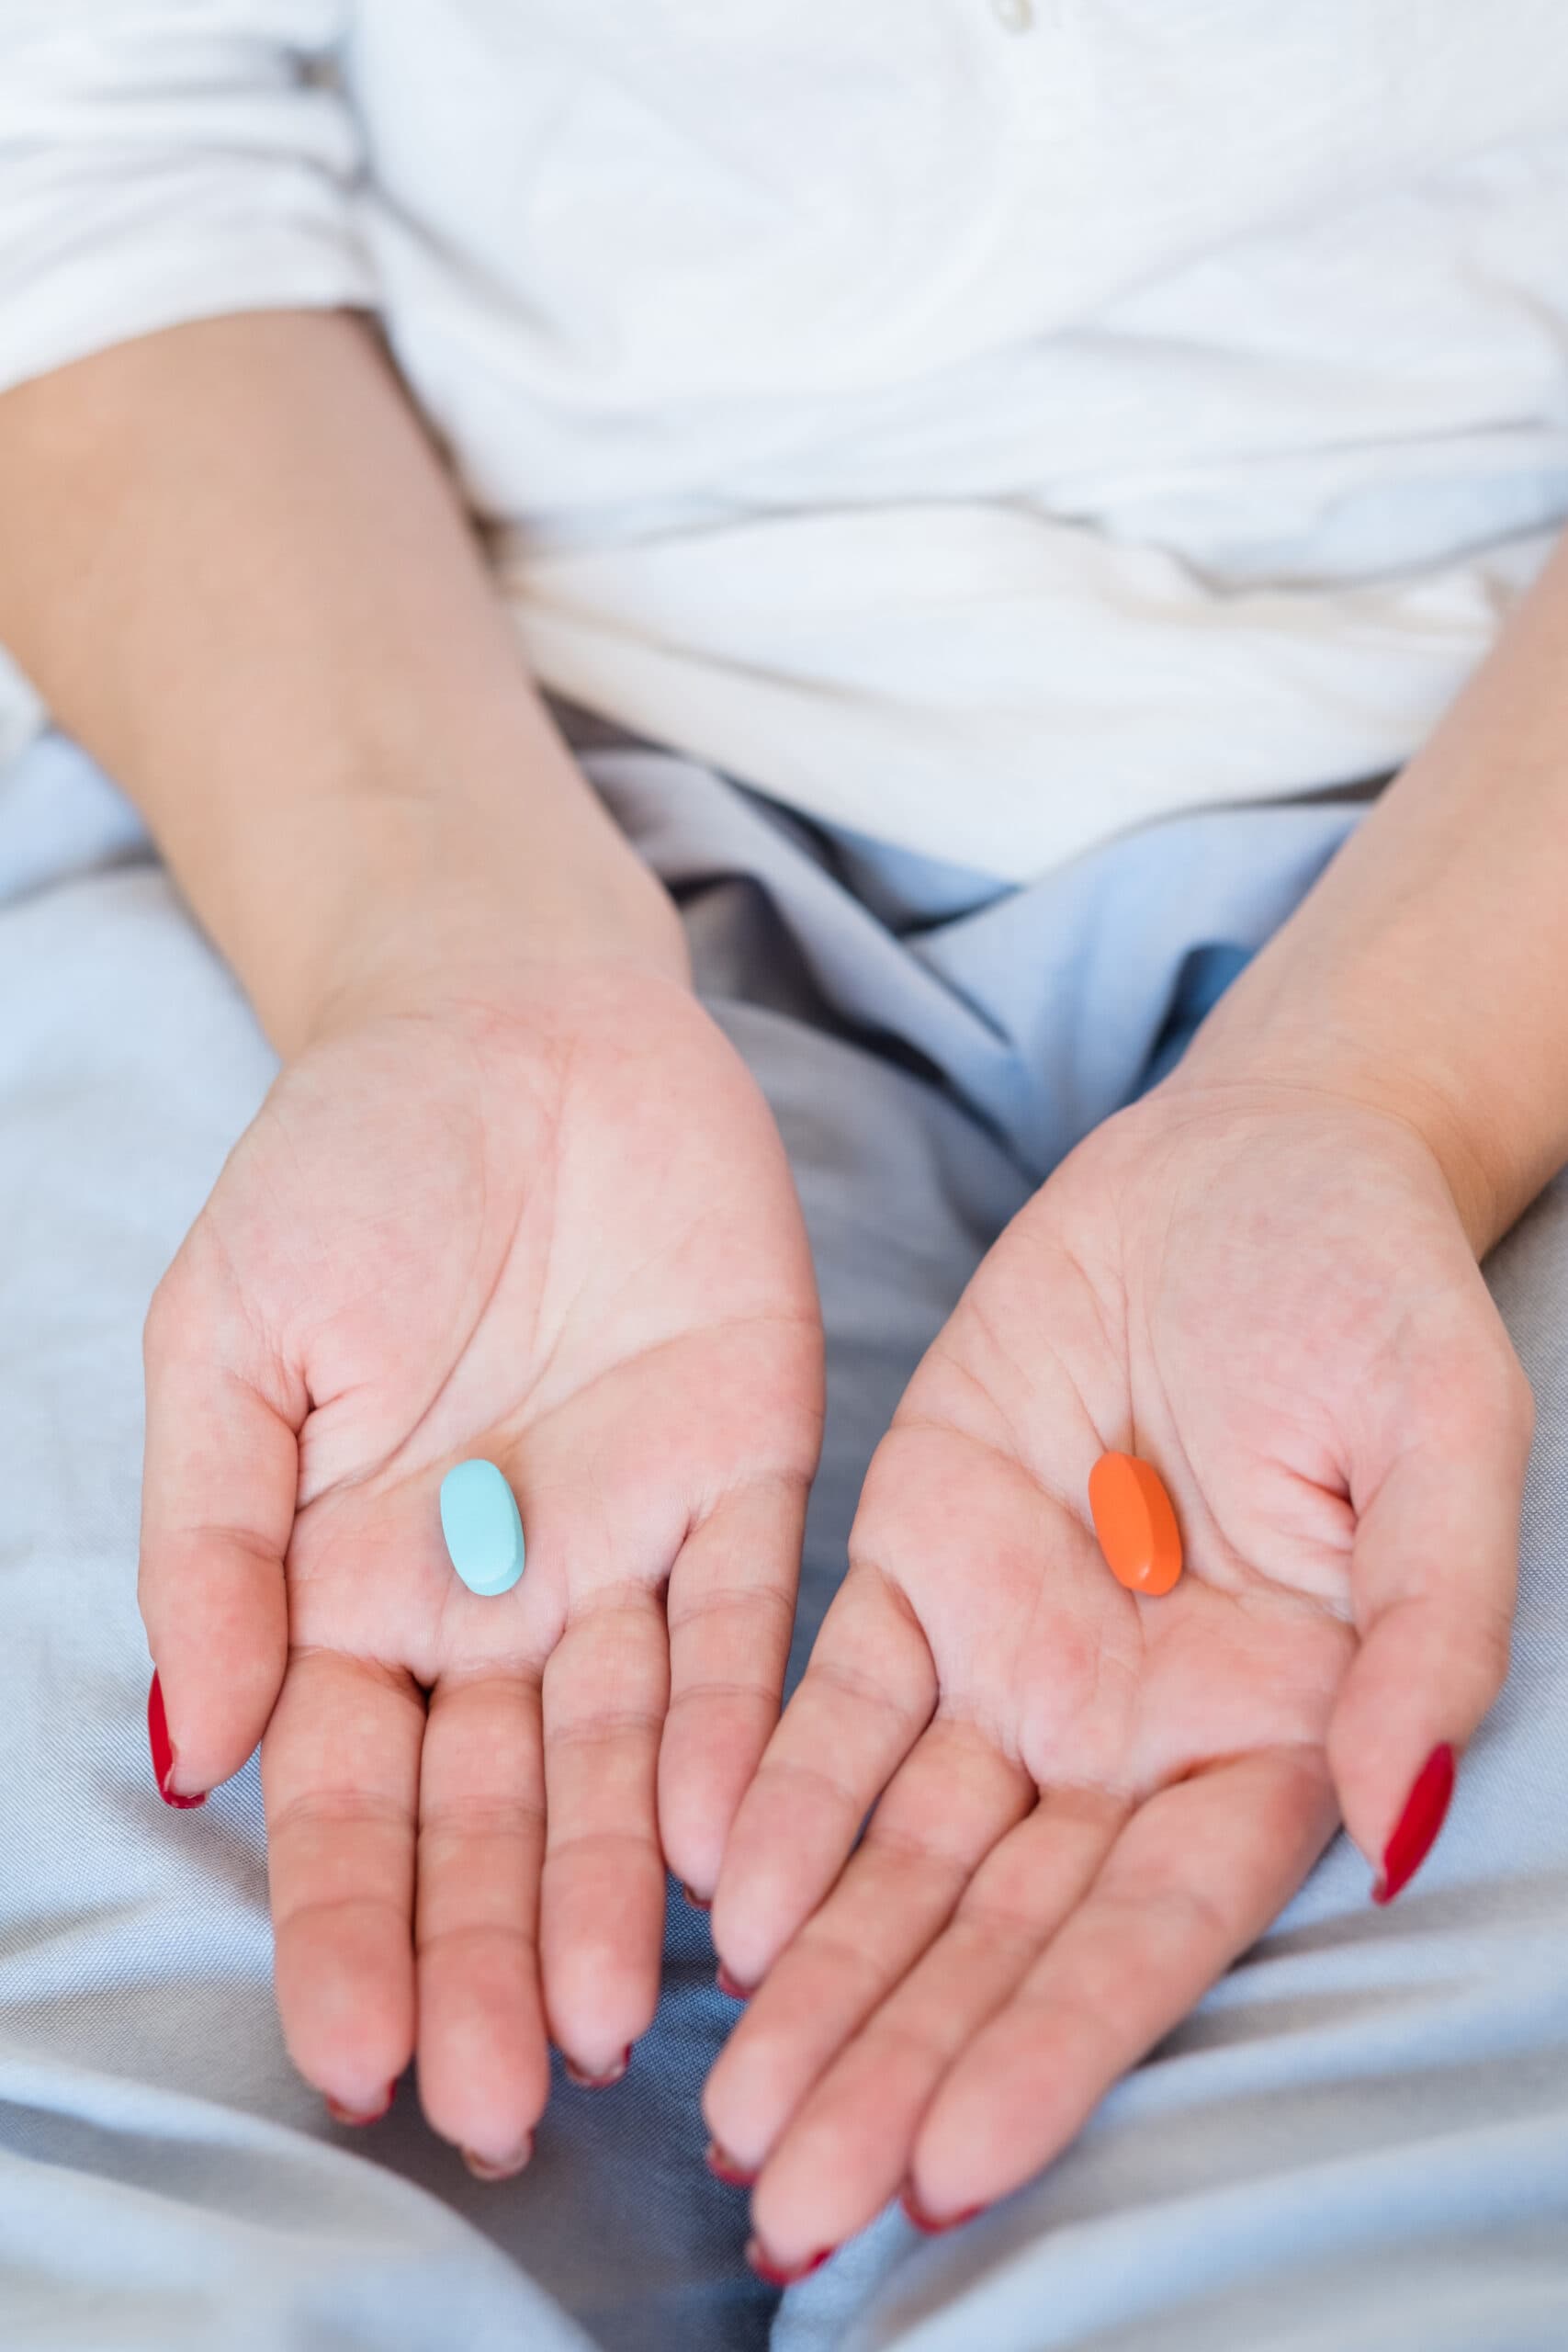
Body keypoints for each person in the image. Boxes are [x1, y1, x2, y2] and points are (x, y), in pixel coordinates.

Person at [1, 7, 1566, 2349]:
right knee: (144, 2143)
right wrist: (431, 948)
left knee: (1373, 2214)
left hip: (1494, 873)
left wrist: (1395, 1085)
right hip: (400, 772)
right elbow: (82, 157)